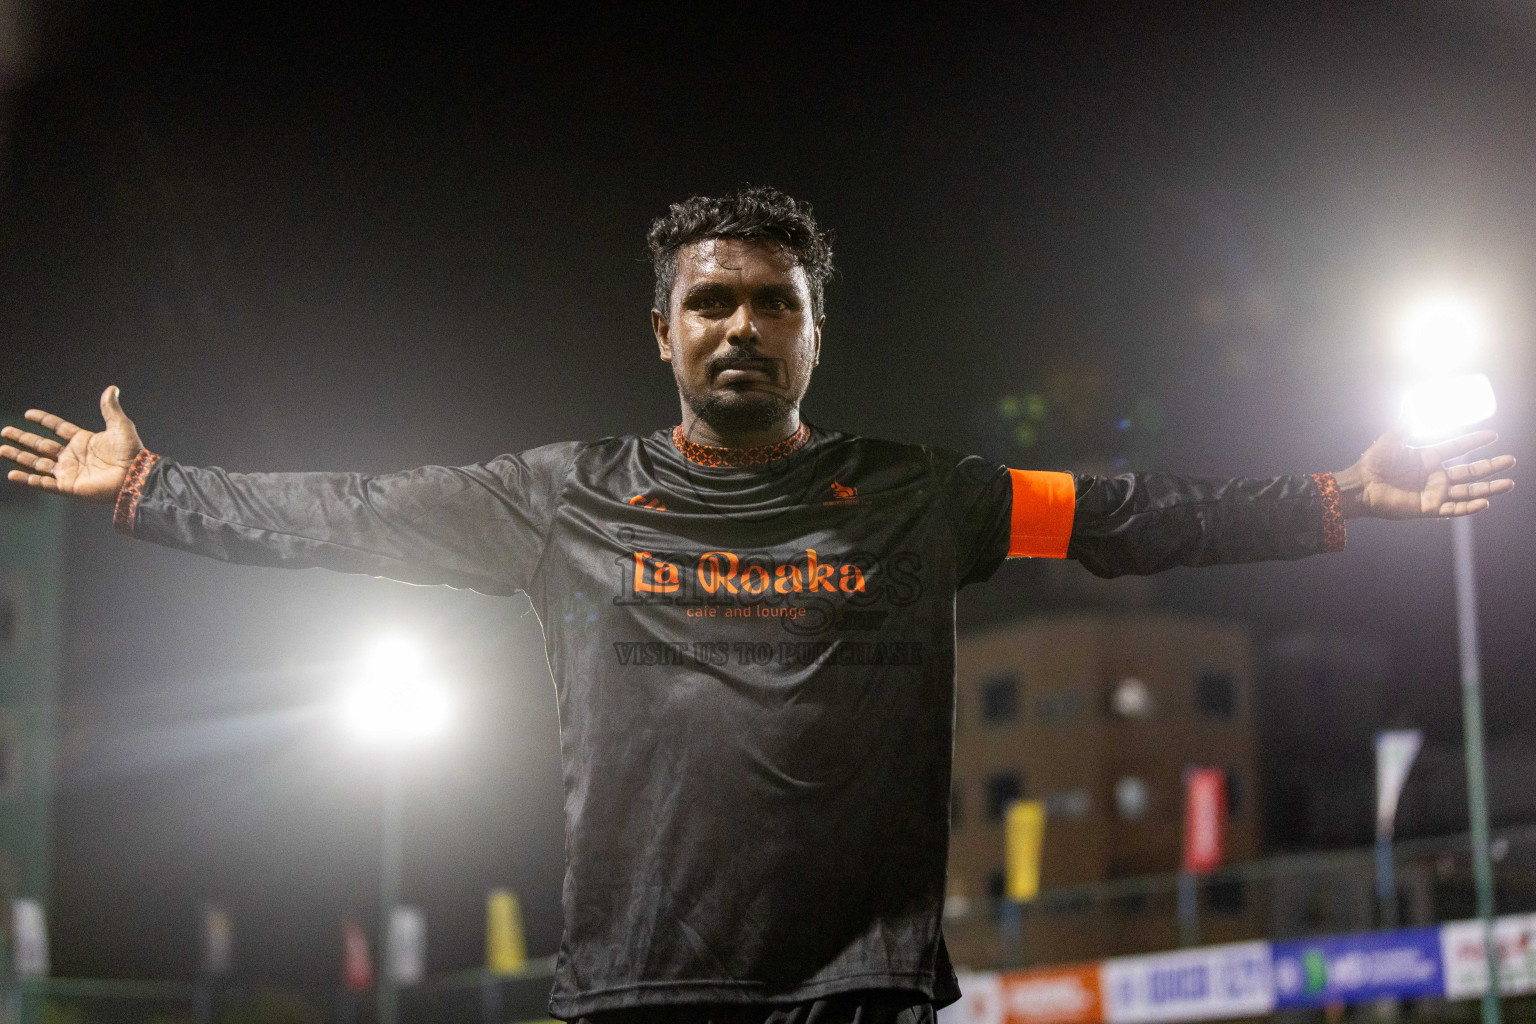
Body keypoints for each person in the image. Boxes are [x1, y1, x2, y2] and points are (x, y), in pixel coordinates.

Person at [1, 187, 1516, 1024]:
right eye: (712, 302)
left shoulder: (928, 496)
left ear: (813, 332)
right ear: (663, 334)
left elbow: (1129, 519)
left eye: (772, 301)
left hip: (860, 989)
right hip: (638, 992)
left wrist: (1336, 498)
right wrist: (151, 491)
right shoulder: (560, 496)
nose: (742, 323)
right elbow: (346, 517)